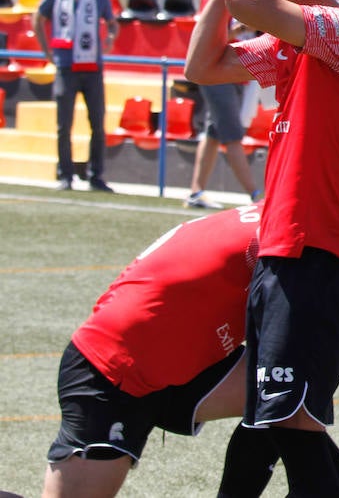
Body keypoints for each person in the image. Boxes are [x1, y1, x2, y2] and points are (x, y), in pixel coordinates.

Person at [185, 0, 339, 498]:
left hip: (320, 258)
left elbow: (250, 0)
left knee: (288, 425)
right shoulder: (294, 47)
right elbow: (202, 67)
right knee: (266, 424)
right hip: (288, 255)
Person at [41, 204, 280, 498]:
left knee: (280, 392)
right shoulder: (286, 230)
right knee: (284, 390)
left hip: (177, 361)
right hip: (114, 371)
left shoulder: (275, 214)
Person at [32, 0, 119, 192]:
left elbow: (112, 24)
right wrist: (46, 52)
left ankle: (96, 176)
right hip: (66, 67)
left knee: (97, 124)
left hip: (92, 67)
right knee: (63, 125)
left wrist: (111, 37)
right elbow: (37, 18)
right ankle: (65, 175)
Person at [187, 21, 262, 210]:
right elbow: (206, 42)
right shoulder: (221, 0)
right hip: (218, 75)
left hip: (236, 76)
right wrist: (239, 30)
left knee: (213, 133)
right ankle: (256, 195)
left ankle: (196, 192)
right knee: (232, 135)